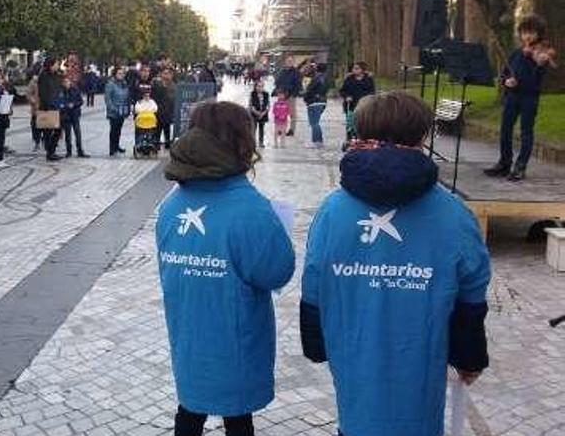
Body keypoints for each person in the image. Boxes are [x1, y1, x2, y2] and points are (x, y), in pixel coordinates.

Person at [300, 91, 490, 436]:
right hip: (421, 371)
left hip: (354, 361)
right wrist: (469, 355)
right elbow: (472, 290)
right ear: (422, 136)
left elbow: (314, 280)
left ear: (360, 133)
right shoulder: (453, 214)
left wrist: (316, 343)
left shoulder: (332, 211)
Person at [156, 101, 295, 436]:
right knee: (237, 413)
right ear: (240, 142)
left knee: (190, 406)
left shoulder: (172, 205)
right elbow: (277, 272)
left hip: (187, 327)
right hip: (236, 334)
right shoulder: (250, 209)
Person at [484, 15, 554, 181]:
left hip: (529, 98)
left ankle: (520, 166)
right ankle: (504, 163)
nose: (527, 36)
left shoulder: (540, 55)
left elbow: (534, 79)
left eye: (532, 32)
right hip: (512, 98)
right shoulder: (516, 53)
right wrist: (507, 82)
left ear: (539, 34)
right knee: (505, 130)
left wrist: (539, 62)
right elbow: (504, 75)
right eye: (524, 32)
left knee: (526, 132)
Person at [338, 62, 376, 145]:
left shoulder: (368, 79)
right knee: (350, 124)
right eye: (354, 68)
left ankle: (363, 139)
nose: (354, 70)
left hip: (364, 106)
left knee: (363, 123)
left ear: (362, 70)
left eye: (357, 68)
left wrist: (368, 99)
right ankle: (350, 140)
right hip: (351, 105)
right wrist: (347, 96)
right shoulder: (349, 79)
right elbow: (342, 90)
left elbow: (372, 92)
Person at [38, 57, 63, 162]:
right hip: (46, 108)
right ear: (50, 65)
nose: (58, 66)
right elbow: (43, 93)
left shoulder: (57, 76)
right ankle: (49, 153)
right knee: (47, 132)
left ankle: (51, 151)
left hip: (56, 106)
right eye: (56, 64)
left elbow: (58, 90)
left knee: (58, 130)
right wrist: (49, 105)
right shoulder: (43, 76)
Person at [104, 67, 130, 157]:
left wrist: (127, 108)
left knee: (119, 130)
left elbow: (127, 96)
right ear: (115, 74)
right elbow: (108, 99)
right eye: (119, 73)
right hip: (114, 112)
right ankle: (112, 148)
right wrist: (113, 108)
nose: (121, 75)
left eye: (122, 73)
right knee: (113, 130)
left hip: (122, 110)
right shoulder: (110, 84)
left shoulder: (124, 84)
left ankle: (116, 146)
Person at [60, 77, 88, 158]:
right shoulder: (61, 91)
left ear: (70, 82)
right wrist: (65, 106)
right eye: (64, 82)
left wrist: (74, 104)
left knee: (78, 133)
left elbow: (81, 101)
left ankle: (80, 151)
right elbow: (59, 102)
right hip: (66, 115)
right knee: (68, 135)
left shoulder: (75, 90)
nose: (66, 83)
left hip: (75, 114)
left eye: (67, 82)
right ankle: (69, 151)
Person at [274, 55, 301, 137]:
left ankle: (292, 130)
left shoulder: (296, 72)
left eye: (291, 61)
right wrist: (279, 91)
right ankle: (280, 129)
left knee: (292, 114)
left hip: (291, 95)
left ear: (293, 62)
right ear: (285, 62)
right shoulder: (282, 71)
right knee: (280, 112)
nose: (289, 62)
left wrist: (293, 94)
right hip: (281, 95)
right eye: (288, 61)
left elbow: (298, 84)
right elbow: (277, 81)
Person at [303, 63, 330, 147]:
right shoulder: (326, 78)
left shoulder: (317, 78)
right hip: (322, 101)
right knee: (316, 122)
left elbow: (310, 89)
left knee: (314, 123)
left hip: (314, 102)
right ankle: (319, 141)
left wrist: (306, 97)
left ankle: (316, 141)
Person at [152, 67, 176, 149]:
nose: (167, 75)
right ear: (161, 74)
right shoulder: (157, 84)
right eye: (165, 73)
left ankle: (167, 144)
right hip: (159, 111)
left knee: (167, 129)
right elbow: (155, 96)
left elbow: (174, 97)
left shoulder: (173, 85)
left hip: (168, 111)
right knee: (158, 129)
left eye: (168, 73)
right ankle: (156, 144)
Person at [249, 80, 270, 147]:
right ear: (255, 87)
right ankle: (252, 142)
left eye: (261, 86)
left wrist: (263, 113)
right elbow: (251, 104)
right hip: (254, 113)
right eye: (258, 86)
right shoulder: (252, 94)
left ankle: (261, 142)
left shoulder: (266, 94)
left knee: (261, 129)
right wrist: (256, 112)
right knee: (253, 128)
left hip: (263, 113)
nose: (260, 88)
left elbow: (268, 105)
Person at [27, 70, 42, 152]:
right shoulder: (34, 82)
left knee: (46, 125)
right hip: (36, 108)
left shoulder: (47, 80)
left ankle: (46, 141)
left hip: (45, 107)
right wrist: (33, 101)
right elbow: (29, 93)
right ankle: (37, 142)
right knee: (35, 125)